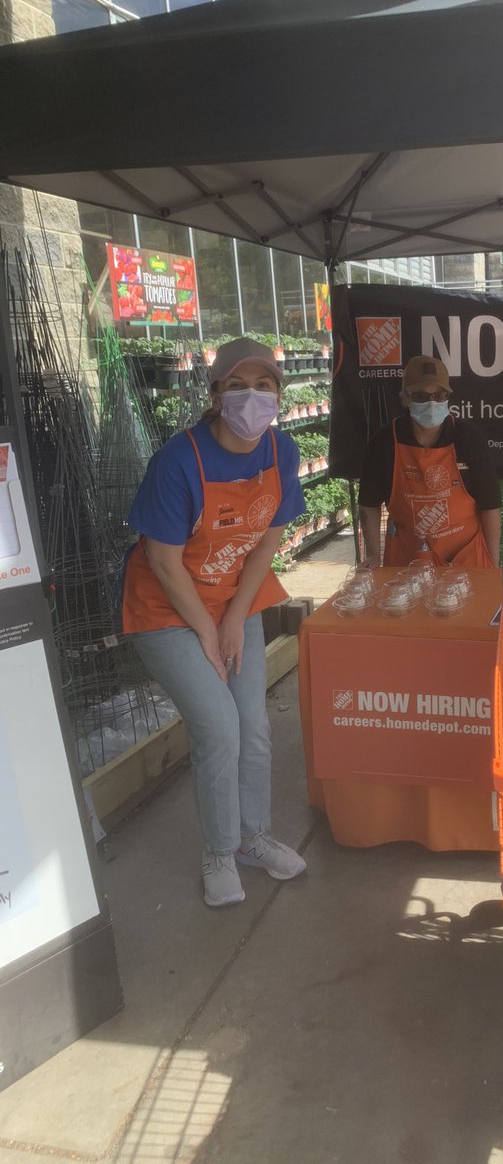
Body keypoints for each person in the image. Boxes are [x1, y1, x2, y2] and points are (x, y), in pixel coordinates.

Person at [121, 338, 307, 908]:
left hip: (233, 598)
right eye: (238, 386)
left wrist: (233, 619)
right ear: (215, 394)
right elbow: (162, 559)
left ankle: (253, 837)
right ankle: (220, 851)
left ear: (279, 394)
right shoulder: (180, 460)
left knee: (252, 724)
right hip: (165, 607)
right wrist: (206, 629)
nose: (254, 398)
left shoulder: (282, 452)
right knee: (219, 728)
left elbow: (262, 550)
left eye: (265, 386)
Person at [358, 355, 501, 568]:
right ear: (404, 398)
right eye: (421, 396)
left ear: (448, 397)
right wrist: (372, 555)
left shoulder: (469, 439)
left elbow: (490, 506)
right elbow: (368, 504)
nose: (431, 403)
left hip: (466, 560)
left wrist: (493, 563)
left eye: (439, 395)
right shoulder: (385, 442)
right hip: (406, 563)